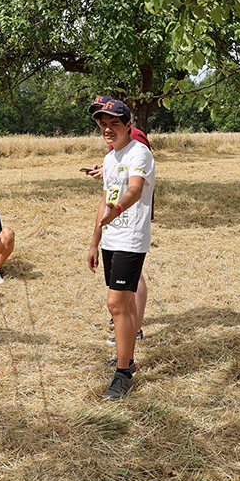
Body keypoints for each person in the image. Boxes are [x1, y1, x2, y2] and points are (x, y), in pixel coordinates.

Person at [87, 98, 155, 400]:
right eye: (103, 124)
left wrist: (118, 210)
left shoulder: (139, 152)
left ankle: (123, 373)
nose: (107, 129)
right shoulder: (111, 157)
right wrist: (94, 239)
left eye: (114, 123)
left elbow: (135, 188)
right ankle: (126, 358)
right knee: (124, 305)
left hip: (131, 237)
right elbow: (104, 200)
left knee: (115, 304)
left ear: (129, 125)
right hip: (111, 238)